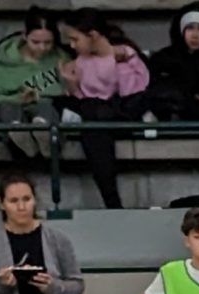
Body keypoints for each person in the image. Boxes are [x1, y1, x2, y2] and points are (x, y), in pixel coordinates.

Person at [54, 10, 148, 209]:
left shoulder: (125, 56)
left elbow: (132, 95)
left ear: (93, 35)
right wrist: (72, 85)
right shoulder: (81, 61)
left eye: (75, 39)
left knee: (93, 119)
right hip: (94, 117)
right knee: (88, 118)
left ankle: (111, 200)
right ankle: (111, 199)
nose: (72, 46)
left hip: (122, 111)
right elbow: (83, 99)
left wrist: (121, 63)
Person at [0, 11, 65, 156]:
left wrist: (38, 92)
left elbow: (67, 88)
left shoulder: (60, 58)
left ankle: (45, 134)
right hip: (11, 106)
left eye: (48, 43)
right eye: (35, 42)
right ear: (25, 36)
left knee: (46, 108)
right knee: (7, 109)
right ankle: (19, 133)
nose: (42, 48)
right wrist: (18, 98)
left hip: (44, 106)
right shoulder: (6, 60)